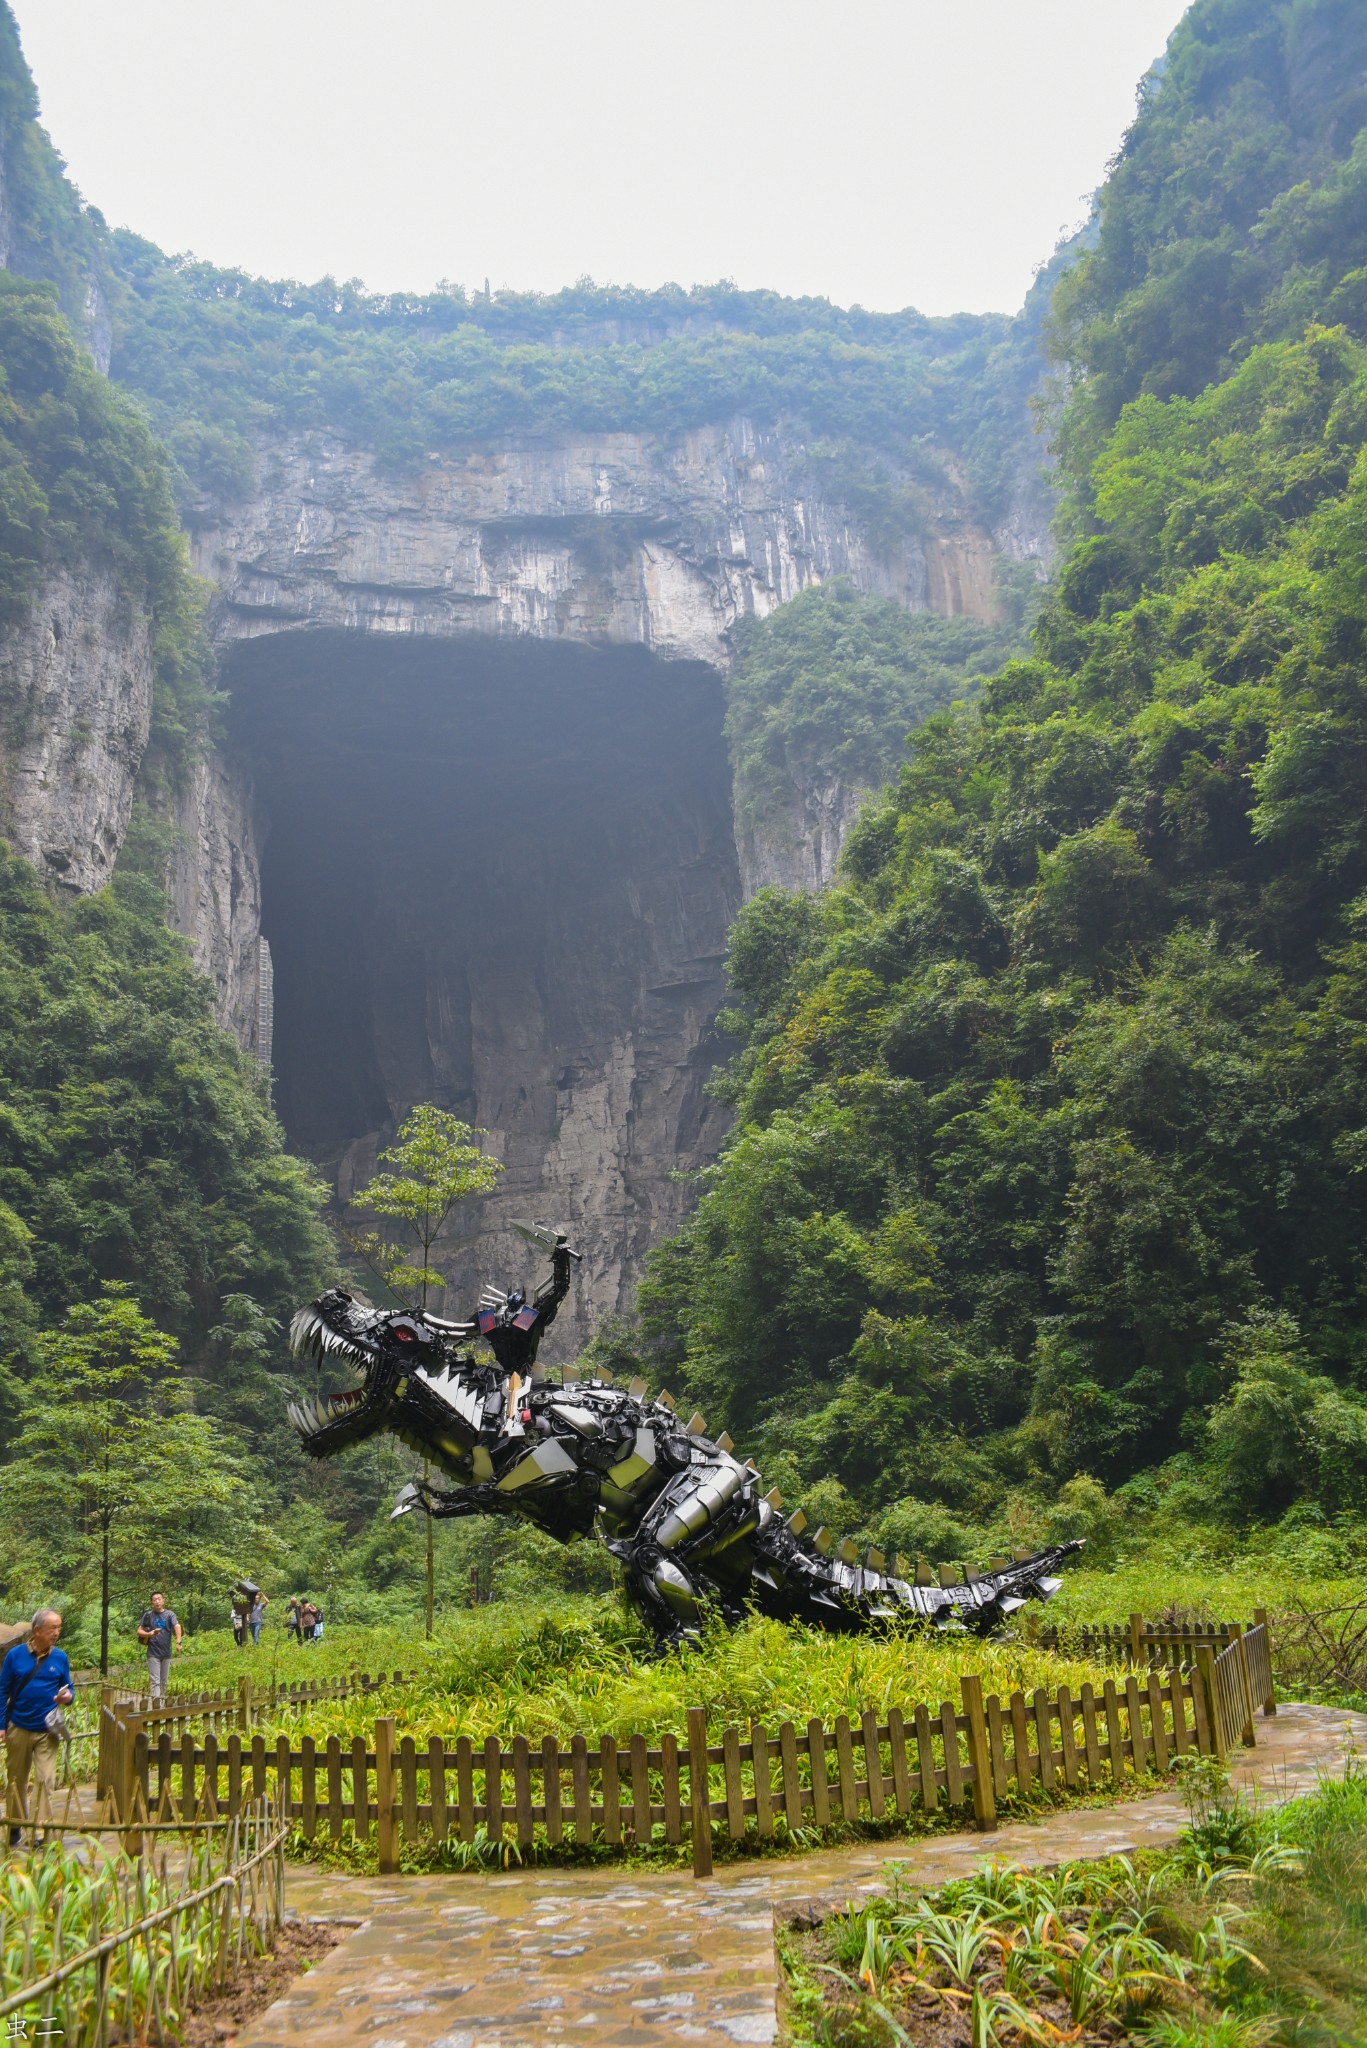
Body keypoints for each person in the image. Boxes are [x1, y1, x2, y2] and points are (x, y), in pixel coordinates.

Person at [1, 1609, 74, 1847]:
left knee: (45, 1780)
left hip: (47, 1730)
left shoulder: (60, 1657)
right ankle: (14, 1825)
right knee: (17, 1779)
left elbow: (69, 1688)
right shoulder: (15, 1656)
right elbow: (2, 1691)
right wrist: (2, 1725)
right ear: (37, 1631)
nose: (57, 1633)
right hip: (19, 1726)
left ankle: (41, 1832)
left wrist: (67, 1697)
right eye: (52, 1628)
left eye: (59, 1627)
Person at [136, 1593, 182, 1706]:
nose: (157, 1601)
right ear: (152, 1602)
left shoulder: (170, 1615)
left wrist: (178, 1642)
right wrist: (149, 1634)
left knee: (163, 1681)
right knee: (155, 1681)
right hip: (153, 1653)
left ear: (163, 1600)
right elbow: (139, 1631)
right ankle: (157, 1705)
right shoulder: (148, 1615)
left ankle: (161, 1701)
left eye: (159, 1599)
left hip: (166, 1652)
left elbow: (177, 1626)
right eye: (154, 1599)